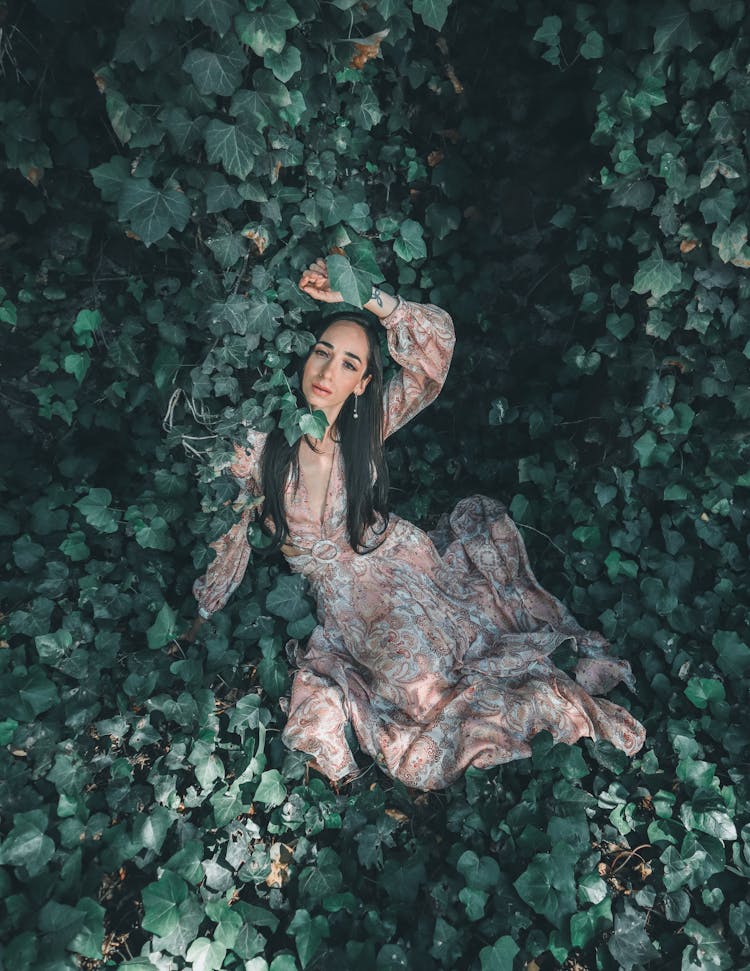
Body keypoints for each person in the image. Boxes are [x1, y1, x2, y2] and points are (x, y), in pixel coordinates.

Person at [191, 258, 645, 791]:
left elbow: (432, 359)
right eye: (321, 352)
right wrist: (205, 608)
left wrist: (364, 297)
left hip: (397, 561)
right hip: (341, 598)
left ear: (362, 384)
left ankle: (534, 704)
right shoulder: (259, 449)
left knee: (442, 669)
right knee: (412, 687)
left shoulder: (367, 427)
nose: (326, 372)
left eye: (347, 363)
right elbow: (229, 537)